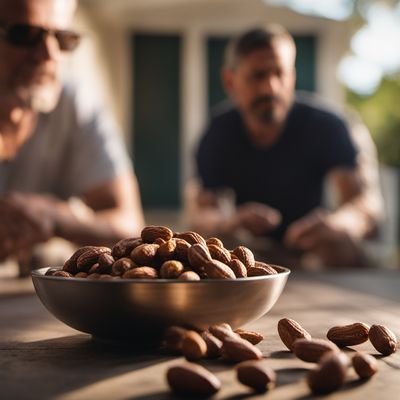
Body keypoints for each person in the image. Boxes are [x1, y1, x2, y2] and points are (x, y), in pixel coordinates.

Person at [189, 24, 383, 268]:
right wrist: (229, 222)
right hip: (253, 256)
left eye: (280, 74)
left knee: (343, 244)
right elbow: (201, 213)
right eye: (258, 76)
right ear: (230, 81)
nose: (271, 88)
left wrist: (339, 223)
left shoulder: (327, 125)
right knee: (216, 243)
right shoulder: (218, 132)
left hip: (318, 254)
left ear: (292, 76)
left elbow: (365, 206)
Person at [0, 0, 145, 267]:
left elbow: (130, 226)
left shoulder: (76, 105)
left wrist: (52, 216)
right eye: (25, 35)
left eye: (63, 38)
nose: (49, 54)